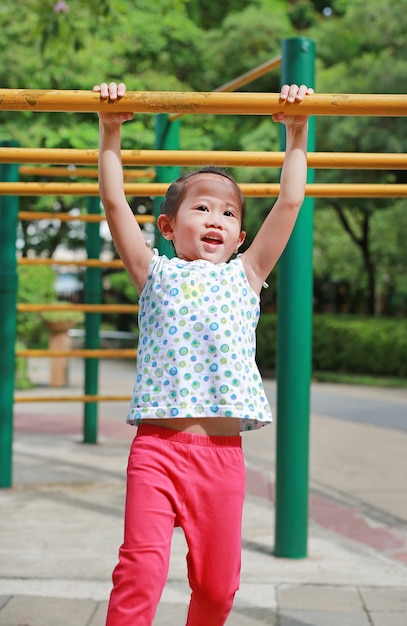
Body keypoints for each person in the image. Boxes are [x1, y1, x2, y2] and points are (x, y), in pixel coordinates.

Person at [94, 80, 313, 626]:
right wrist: (110, 130)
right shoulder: (154, 272)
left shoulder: (248, 275)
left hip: (221, 458)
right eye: (201, 208)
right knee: (140, 572)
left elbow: (289, 202)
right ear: (168, 227)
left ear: (241, 236)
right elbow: (116, 202)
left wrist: (297, 131)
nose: (216, 219)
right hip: (158, 450)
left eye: (228, 214)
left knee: (217, 589)